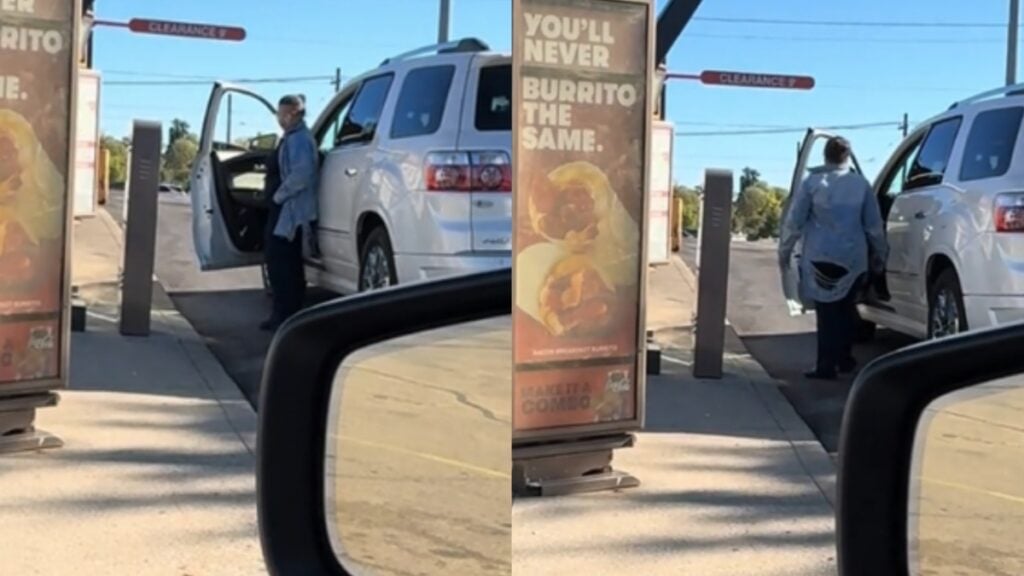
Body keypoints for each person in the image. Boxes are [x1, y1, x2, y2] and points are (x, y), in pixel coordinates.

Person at [779, 136, 888, 380]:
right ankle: (844, 358)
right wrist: (880, 254)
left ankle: (826, 365)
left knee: (826, 313)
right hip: (853, 258)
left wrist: (784, 251)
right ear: (847, 157)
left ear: (825, 156)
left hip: (820, 257)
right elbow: (873, 226)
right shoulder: (861, 185)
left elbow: (794, 222)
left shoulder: (812, 183)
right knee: (847, 309)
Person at [261, 94, 319, 331]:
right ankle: (284, 313)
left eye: (282, 113)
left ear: (294, 113)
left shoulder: (299, 140)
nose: (279, 118)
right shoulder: (290, 138)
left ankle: (285, 315)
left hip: (290, 213)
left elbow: (302, 174)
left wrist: (278, 196)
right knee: (281, 262)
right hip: (285, 210)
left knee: (283, 264)